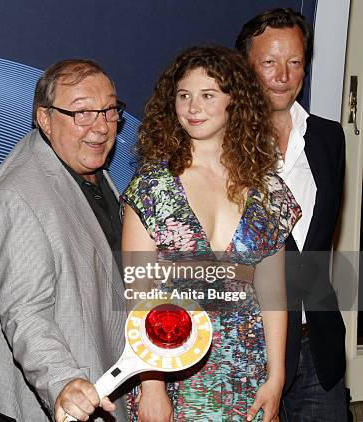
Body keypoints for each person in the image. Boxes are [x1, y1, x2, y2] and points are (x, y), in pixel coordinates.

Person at [121, 46, 301, 421]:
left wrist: (276, 376)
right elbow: (139, 294)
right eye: (183, 96)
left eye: (207, 95)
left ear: (235, 102)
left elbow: (272, 291)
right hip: (173, 368)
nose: (192, 108)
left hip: (247, 369)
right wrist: (151, 385)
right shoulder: (151, 186)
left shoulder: (267, 191)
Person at [0, 59, 127, 421]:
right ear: (45, 119)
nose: (102, 126)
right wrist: (62, 381)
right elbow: (25, 312)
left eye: (110, 110)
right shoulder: (20, 196)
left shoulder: (88, 169)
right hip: (60, 399)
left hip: (105, 379)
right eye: (82, 113)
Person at [236, 8, 348, 420]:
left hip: (317, 342)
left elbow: (320, 243)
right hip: (248, 347)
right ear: (245, 70)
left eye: (295, 62)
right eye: (269, 62)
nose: (283, 75)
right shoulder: (221, 146)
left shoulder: (329, 137)